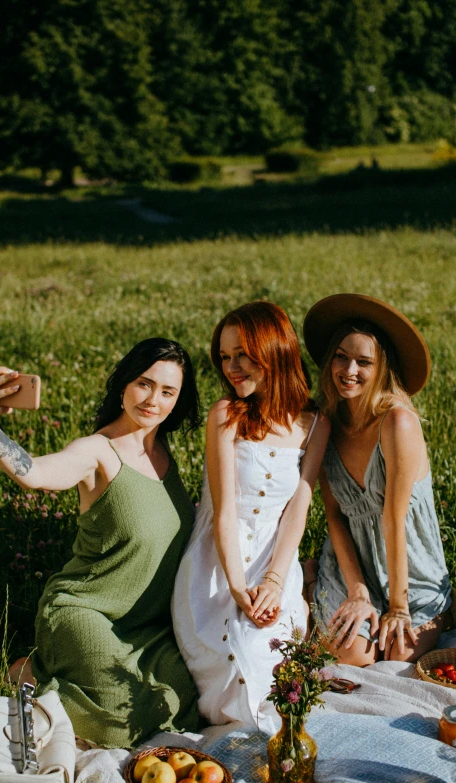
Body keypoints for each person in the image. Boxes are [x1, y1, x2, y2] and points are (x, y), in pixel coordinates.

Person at [0, 338, 201, 748]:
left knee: (182, 702)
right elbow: (37, 474)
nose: (153, 400)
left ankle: (51, 672)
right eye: (144, 384)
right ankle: (24, 674)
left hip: (147, 626)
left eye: (167, 391)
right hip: (84, 610)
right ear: (124, 385)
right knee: (120, 723)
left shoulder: (163, 452)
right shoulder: (97, 451)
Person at [171, 302, 330, 734]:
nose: (232, 367)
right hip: (218, 563)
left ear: (274, 350)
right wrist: (240, 589)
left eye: (242, 354)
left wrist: (277, 580)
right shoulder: (226, 415)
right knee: (234, 655)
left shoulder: (314, 423)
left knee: (274, 656)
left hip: (275, 557)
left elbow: (300, 504)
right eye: (224, 357)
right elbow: (222, 512)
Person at [303, 293, 452, 667]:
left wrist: (399, 607)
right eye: (341, 356)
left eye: (363, 361)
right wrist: (357, 591)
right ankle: (314, 580)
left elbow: (394, 518)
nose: (348, 369)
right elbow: (334, 515)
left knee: (398, 651)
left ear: (381, 367)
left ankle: (446, 607)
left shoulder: (397, 423)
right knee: (355, 653)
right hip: (355, 562)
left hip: (409, 567)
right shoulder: (325, 423)